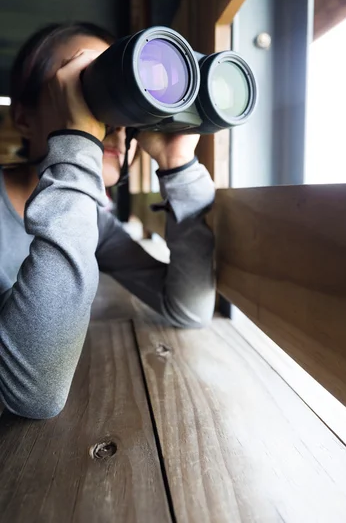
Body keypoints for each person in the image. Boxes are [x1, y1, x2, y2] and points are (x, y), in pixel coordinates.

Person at [0, 23, 216, 420]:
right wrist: (78, 142)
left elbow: (187, 307)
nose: (112, 126)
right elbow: (34, 392)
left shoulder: (91, 222)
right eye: (87, 88)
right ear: (25, 119)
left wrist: (177, 167)